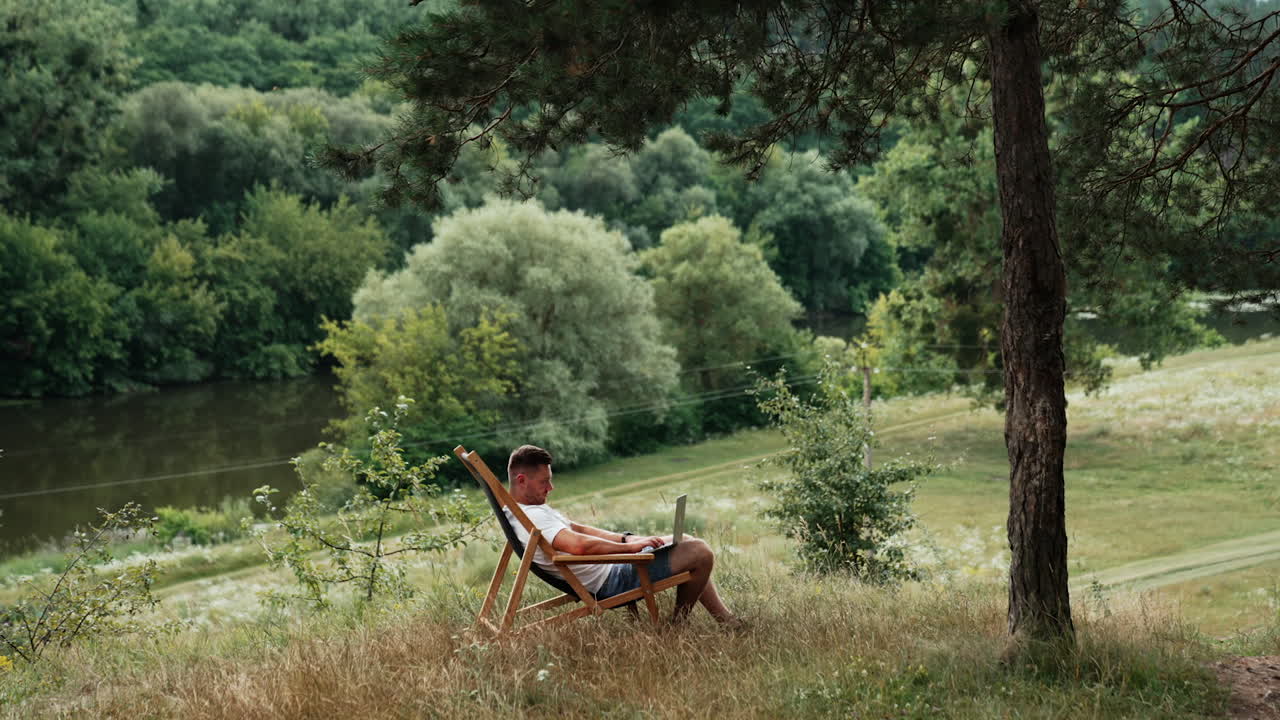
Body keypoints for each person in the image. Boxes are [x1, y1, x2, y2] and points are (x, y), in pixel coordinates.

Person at [505, 444, 737, 625]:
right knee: (700, 552)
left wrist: (626, 538)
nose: (550, 488)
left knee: (685, 540)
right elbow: (579, 546)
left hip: (613, 566)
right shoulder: (533, 517)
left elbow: (579, 529)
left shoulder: (529, 511)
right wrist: (630, 550)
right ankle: (678, 624)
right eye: (545, 482)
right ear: (522, 481)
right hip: (610, 579)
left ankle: (726, 620)